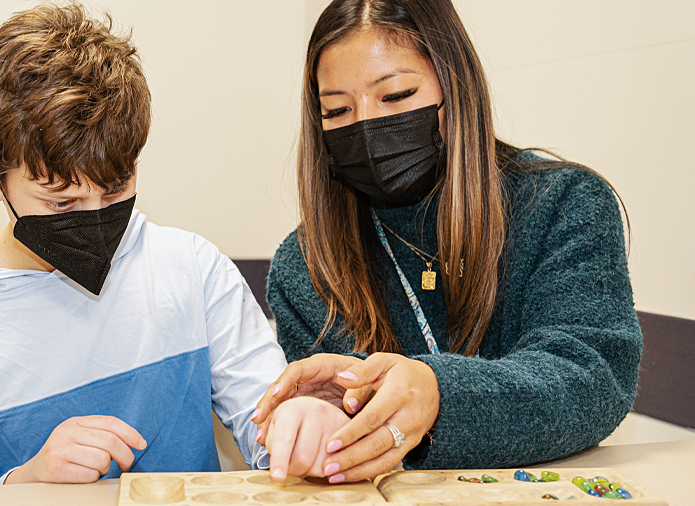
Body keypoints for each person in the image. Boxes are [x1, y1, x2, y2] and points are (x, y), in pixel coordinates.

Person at [0, 4, 286, 489]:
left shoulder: (192, 269)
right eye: (62, 203)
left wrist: (301, 427)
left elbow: (270, 425)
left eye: (114, 190)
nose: (95, 218)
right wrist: (27, 482)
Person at [251, 0, 642, 484]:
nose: (367, 125)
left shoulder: (564, 204)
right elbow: (344, 413)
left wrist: (438, 394)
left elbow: (592, 377)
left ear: (455, 85)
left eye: (395, 95)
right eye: (336, 109)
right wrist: (324, 423)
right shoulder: (307, 265)